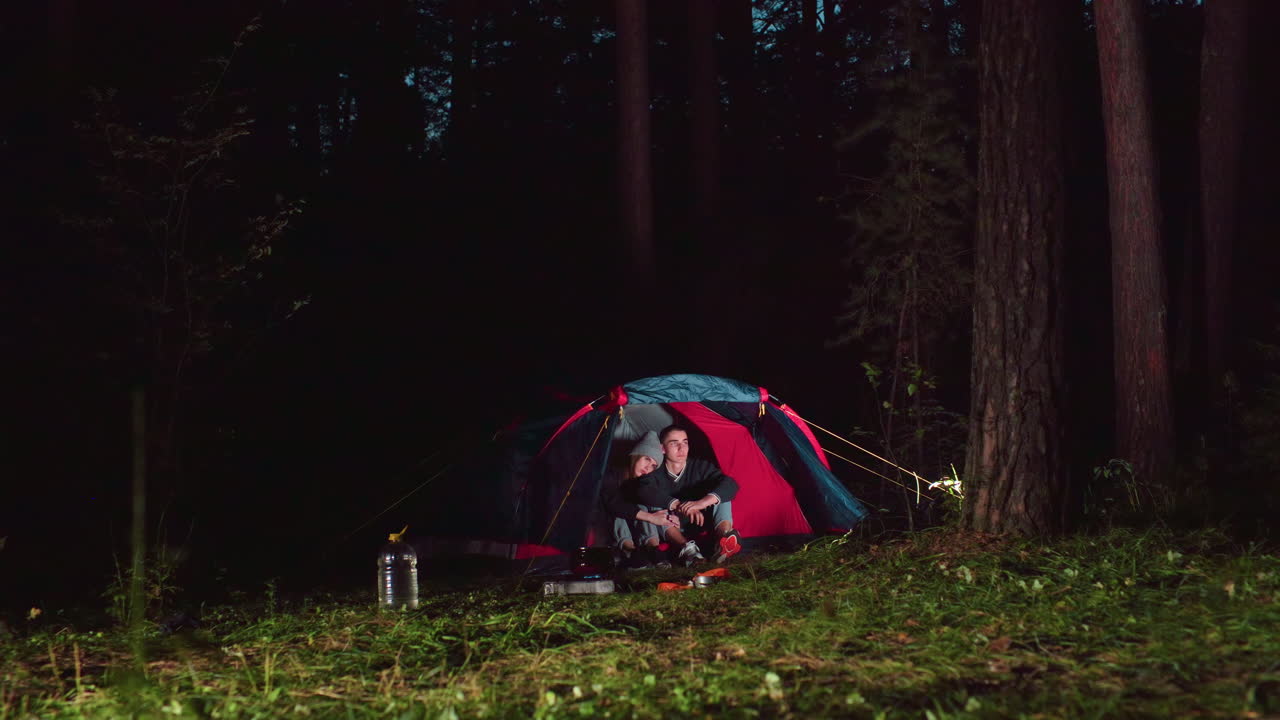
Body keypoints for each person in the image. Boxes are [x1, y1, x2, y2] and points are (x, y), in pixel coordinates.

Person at [632, 424, 743, 566]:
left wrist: (701, 503)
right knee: (654, 505)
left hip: (700, 522)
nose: (682, 448)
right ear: (663, 449)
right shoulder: (655, 470)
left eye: (685, 442)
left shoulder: (700, 466)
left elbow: (731, 484)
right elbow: (642, 491)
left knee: (721, 496)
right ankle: (689, 551)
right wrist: (681, 505)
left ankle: (724, 540)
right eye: (674, 444)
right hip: (672, 527)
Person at [601, 431, 680, 568]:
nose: (648, 468)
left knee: (645, 505)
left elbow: (655, 499)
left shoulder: (643, 482)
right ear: (635, 455)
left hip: (636, 528)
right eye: (647, 459)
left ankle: (653, 548)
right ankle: (629, 550)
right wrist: (650, 518)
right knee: (619, 509)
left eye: (654, 466)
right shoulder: (611, 474)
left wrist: (671, 517)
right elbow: (612, 503)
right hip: (606, 521)